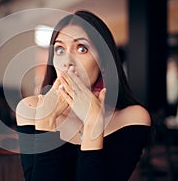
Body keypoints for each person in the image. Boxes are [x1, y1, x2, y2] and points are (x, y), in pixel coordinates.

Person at [16, 10, 151, 181]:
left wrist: (93, 124)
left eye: (81, 48)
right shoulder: (30, 108)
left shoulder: (132, 118)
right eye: (59, 49)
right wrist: (46, 120)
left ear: (103, 61)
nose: (67, 61)